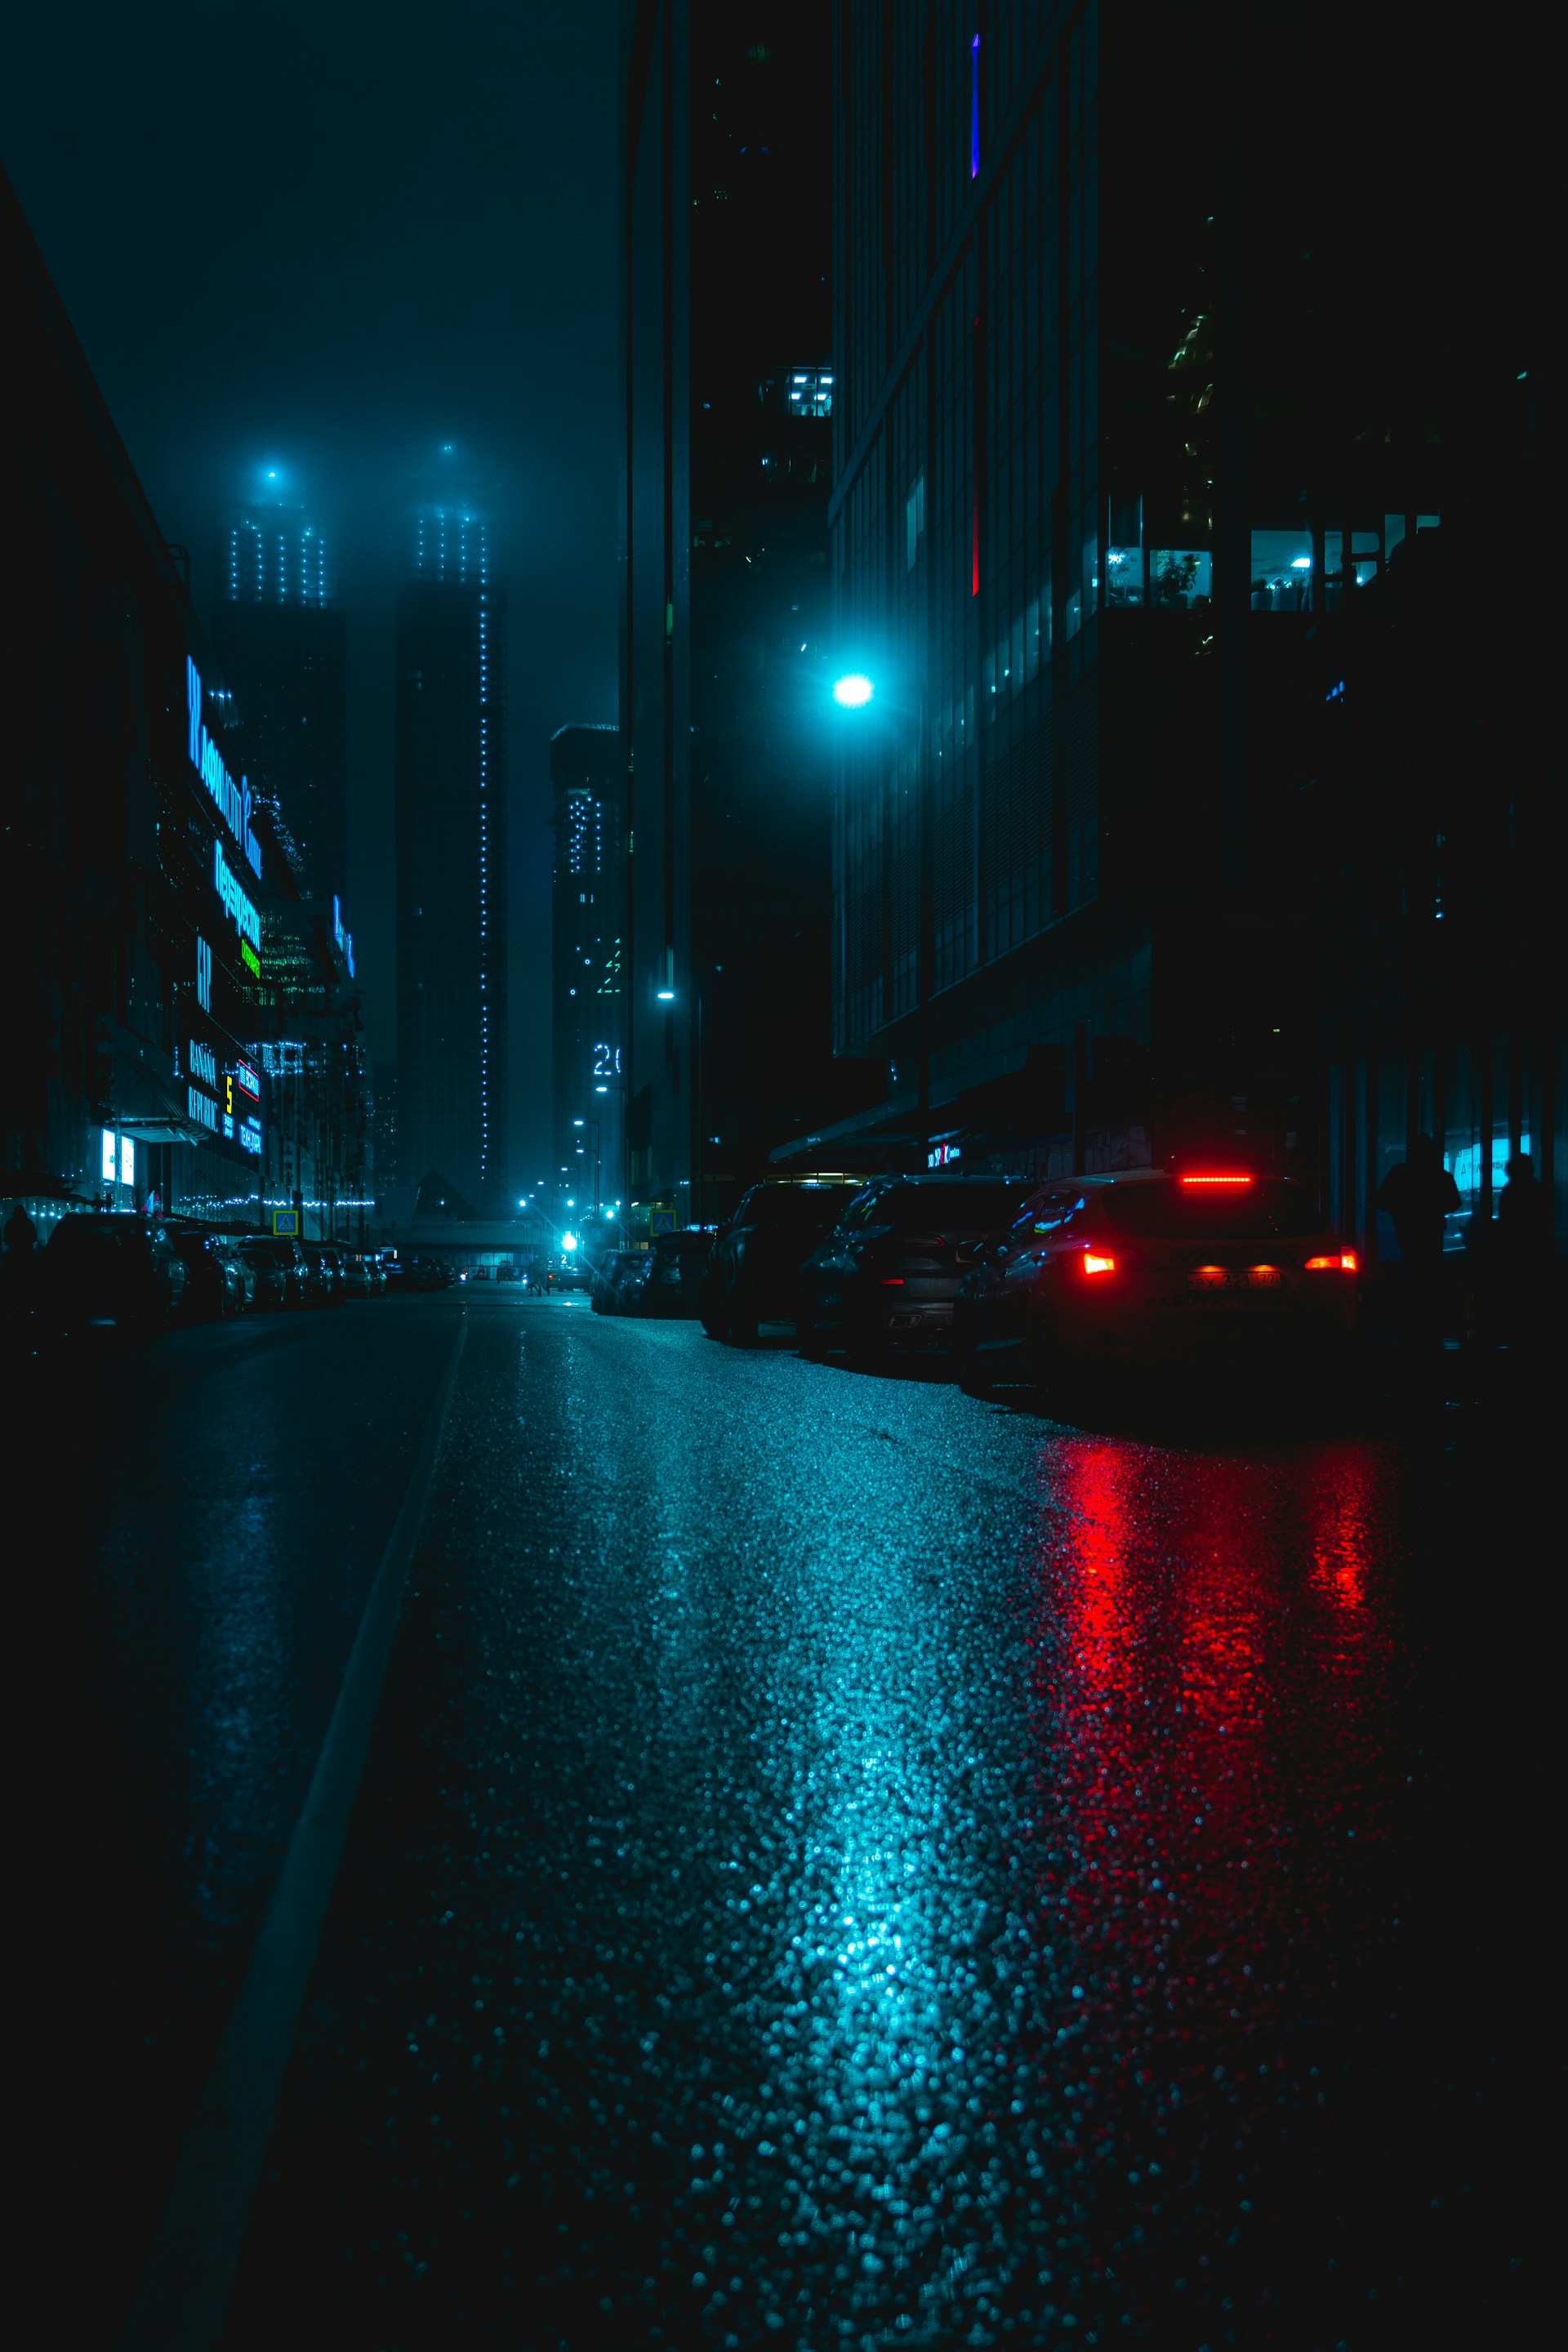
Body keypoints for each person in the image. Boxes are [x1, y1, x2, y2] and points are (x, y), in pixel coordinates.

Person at [1375, 1134, 1460, 1343]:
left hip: (1406, 1228)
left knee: (1411, 1268)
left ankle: (1411, 1315)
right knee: (1430, 1271)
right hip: (1431, 1229)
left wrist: (1402, 1209)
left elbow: (1381, 1199)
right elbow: (1453, 1203)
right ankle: (1430, 1317)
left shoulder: (1399, 1173)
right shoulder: (1440, 1176)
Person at [1495, 1155, 1552, 1350]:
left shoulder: (1511, 1190)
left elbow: (1506, 1220)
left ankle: (1515, 1332)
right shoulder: (1537, 1189)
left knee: (1515, 1290)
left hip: (1513, 1249)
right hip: (1532, 1248)